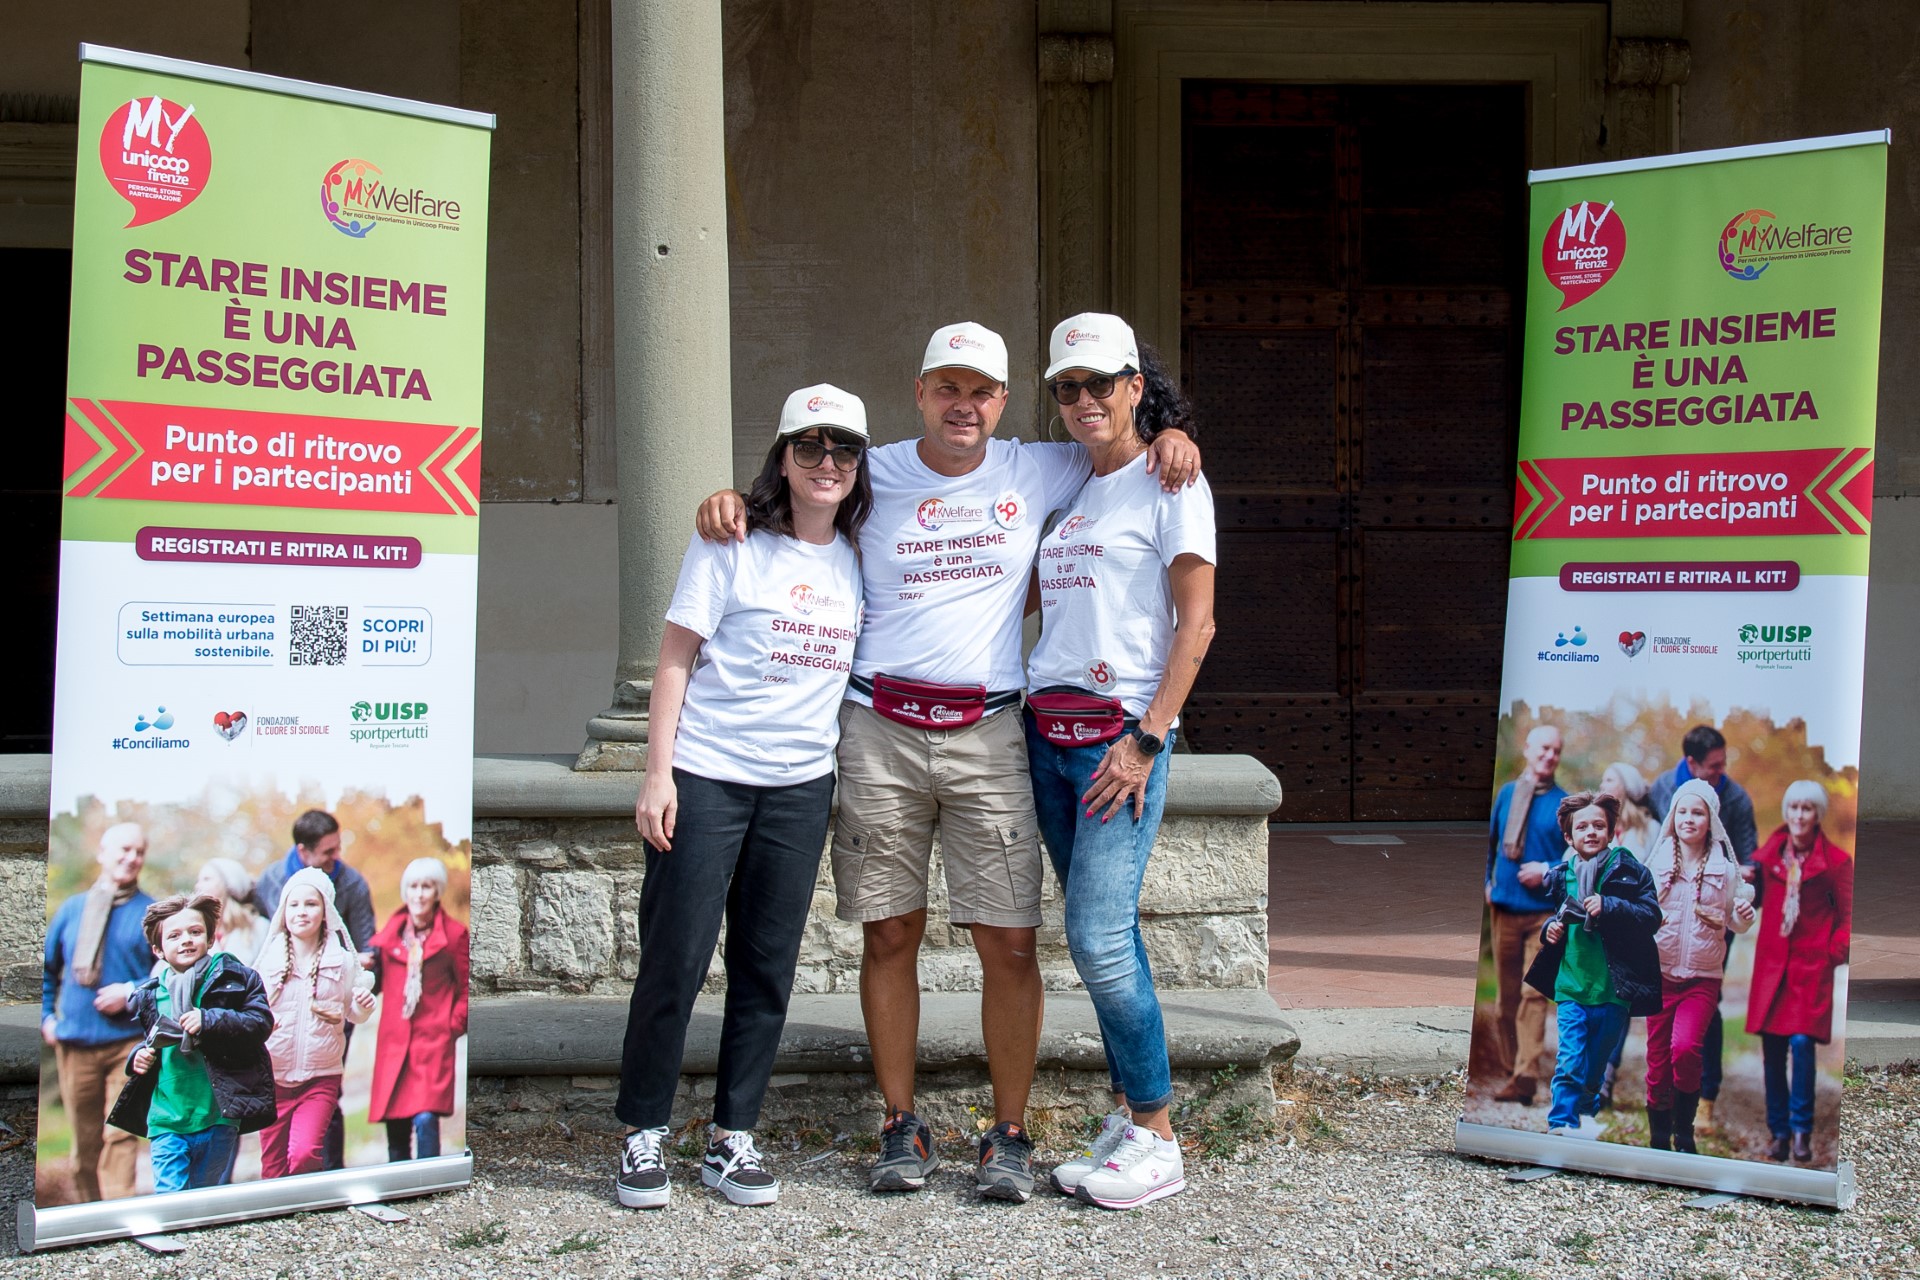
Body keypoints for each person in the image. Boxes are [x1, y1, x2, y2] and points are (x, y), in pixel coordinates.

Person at [695, 324, 1201, 1201]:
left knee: (1009, 942)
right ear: (920, 391)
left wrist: (1170, 435)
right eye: (946, 388)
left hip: (992, 731)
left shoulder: (1044, 464)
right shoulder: (873, 469)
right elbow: (795, 497)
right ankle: (902, 1123)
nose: (963, 405)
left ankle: (1007, 1133)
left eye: (982, 391)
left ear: (1002, 403)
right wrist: (726, 502)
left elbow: (1121, 448)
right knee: (890, 932)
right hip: (878, 727)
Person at [618, 385, 871, 1211]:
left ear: (860, 463)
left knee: (767, 967)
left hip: (800, 789)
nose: (826, 462)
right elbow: (674, 659)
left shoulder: (863, 555)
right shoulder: (731, 543)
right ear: (783, 457)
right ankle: (643, 1133)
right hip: (709, 777)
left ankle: (734, 1137)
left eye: (843, 449)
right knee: (676, 958)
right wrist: (657, 774)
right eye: (809, 446)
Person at [1021, 313, 1215, 1210]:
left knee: (1096, 938)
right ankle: (1131, 1123)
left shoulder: (1173, 481)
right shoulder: (1067, 486)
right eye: (1069, 387)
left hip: (1115, 740)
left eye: (1102, 383)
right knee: (1105, 938)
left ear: (1138, 385)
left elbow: (1197, 625)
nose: (1085, 400)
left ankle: (1160, 1138)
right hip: (1046, 736)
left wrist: (1148, 739)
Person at [106, 894, 274, 1193]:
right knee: (171, 1197)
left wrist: (209, 1019)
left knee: (203, 1197)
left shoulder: (236, 978)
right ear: (158, 949)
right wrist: (137, 1057)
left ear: (210, 939)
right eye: (174, 935)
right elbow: (150, 1042)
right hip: (167, 1117)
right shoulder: (150, 994)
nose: (186, 940)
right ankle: (170, 1239)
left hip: (217, 1115)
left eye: (195, 932)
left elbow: (260, 1023)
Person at [1524, 792, 1661, 1138]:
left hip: (1613, 990)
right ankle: (1561, 1124)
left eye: (1599, 825)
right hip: (1571, 986)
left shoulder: (1631, 871)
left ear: (1612, 832)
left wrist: (1610, 905)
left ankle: (1584, 1116)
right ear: (1569, 837)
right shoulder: (1559, 876)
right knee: (1570, 1061)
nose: (1591, 832)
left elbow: (1651, 916)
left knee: (1595, 1066)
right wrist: (1549, 930)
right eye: (1582, 827)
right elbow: (1556, 918)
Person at [1648, 725, 1758, 1137]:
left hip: (1709, 938)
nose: (1721, 771)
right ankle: (1659, 1130)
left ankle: (1701, 1104)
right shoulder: (1664, 790)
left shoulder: (1735, 799)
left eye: (1724, 763)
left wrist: (1745, 899)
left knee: (1694, 1034)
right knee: (1658, 1053)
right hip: (1661, 957)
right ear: (1691, 763)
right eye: (1714, 765)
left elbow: (1746, 862)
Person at [41, 821, 156, 1202]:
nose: (132, 858)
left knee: (120, 1134)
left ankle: (119, 1216)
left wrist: (129, 992)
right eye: (124, 850)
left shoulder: (152, 914)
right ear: (102, 854)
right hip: (74, 1044)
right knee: (85, 1143)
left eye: (138, 851)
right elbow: (45, 971)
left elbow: (164, 977)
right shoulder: (72, 910)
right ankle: (92, 1218)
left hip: (127, 1045)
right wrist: (46, 1019)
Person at [1746, 780, 1854, 1164]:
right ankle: (1778, 1132)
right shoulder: (1765, 857)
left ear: (1818, 815)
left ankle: (1801, 1130)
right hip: (1773, 967)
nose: (1798, 815)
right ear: (1786, 811)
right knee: (1772, 1050)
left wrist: (1832, 953)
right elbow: (1748, 900)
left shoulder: (1837, 863)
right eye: (1793, 807)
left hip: (1811, 969)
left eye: (1807, 808)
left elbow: (1848, 917)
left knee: (1802, 1044)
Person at [253, 868, 376, 1178]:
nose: (301, 912)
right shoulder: (266, 963)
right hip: (273, 1077)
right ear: (283, 911)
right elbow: (251, 1016)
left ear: (326, 912)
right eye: (294, 905)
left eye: (311, 904)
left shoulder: (344, 961)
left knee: (305, 1153)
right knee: (273, 1164)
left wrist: (362, 1009)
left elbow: (353, 1013)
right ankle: (277, 1220)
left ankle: (306, 1208)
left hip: (321, 1076)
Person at [1482, 725, 1568, 1105]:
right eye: (1545, 748)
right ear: (1529, 748)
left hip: (1543, 916)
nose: (1550, 756)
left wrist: (1544, 869)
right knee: (1506, 1001)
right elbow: (1490, 845)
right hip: (1504, 908)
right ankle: (1511, 1068)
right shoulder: (1506, 794)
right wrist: (1487, 881)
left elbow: (1572, 861)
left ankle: (1526, 1075)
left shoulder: (1566, 805)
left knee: (1534, 995)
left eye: (1557, 751)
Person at [367, 858, 469, 1164]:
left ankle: (428, 1183)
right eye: (413, 886)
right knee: (395, 1120)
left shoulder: (453, 936)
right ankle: (398, 1182)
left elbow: (466, 988)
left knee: (425, 1118)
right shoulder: (387, 939)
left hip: (432, 1041)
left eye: (427, 887)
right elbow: (375, 983)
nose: (420, 894)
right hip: (394, 1043)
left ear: (437, 892)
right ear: (405, 891)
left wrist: (452, 1026)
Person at [255, 810, 378, 953]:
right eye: (328, 852)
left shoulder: (353, 884)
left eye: (338, 848)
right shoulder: (271, 881)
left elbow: (367, 946)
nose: (337, 856)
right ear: (303, 851)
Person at [194, 857, 268, 963]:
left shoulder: (259, 927)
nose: (198, 886)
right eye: (198, 880)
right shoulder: (194, 929)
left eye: (206, 879)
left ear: (228, 884)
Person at [1598, 763, 1658, 858]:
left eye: (1609, 780)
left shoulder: (1651, 828)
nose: (1602, 786)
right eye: (1603, 781)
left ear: (1626, 786)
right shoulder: (1596, 825)